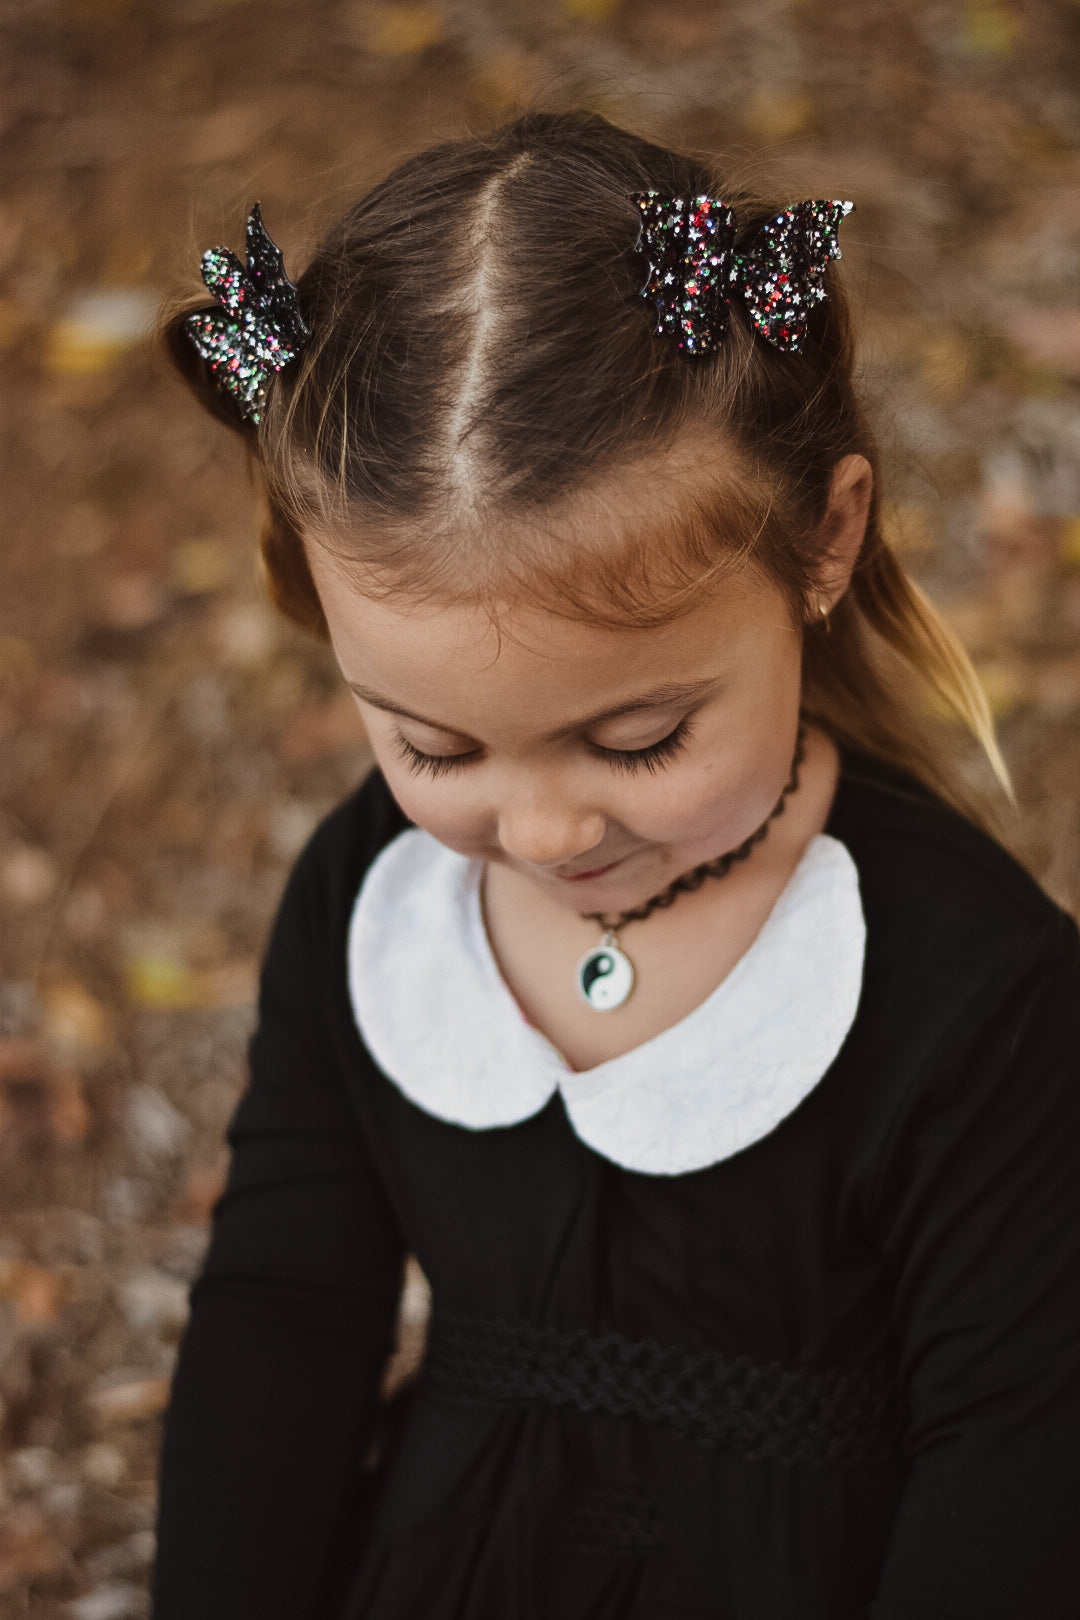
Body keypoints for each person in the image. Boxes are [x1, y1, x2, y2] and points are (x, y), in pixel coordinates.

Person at [151, 112, 1080, 1620]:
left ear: (826, 542)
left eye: (639, 739)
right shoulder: (366, 899)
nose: (543, 834)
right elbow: (284, 1315)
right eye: (435, 751)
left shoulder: (976, 995)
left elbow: (1023, 1455)